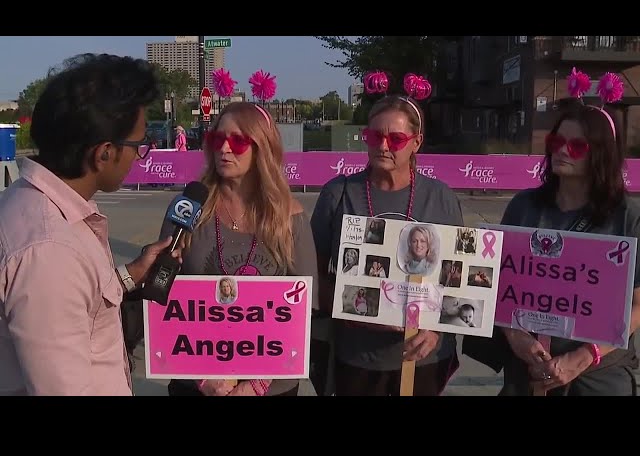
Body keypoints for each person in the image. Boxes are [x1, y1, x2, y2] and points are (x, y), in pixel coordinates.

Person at [0, 53, 177, 396]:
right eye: (138, 145)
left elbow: (80, 303)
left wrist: (132, 274)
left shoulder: (32, 203)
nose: (139, 156)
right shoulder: (50, 250)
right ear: (104, 153)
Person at [463, 69, 640, 396]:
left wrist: (585, 355)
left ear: (600, 153)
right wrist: (514, 336)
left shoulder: (629, 218)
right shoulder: (524, 206)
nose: (561, 151)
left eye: (576, 146)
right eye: (557, 142)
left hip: (597, 376)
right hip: (527, 368)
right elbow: (492, 281)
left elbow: (637, 305)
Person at [311, 71, 464, 396]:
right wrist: (353, 312)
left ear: (416, 143)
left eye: (395, 139)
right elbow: (314, 274)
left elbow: (458, 277)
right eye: (374, 136)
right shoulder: (338, 193)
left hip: (424, 357)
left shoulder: (440, 197)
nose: (383, 145)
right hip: (357, 357)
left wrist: (437, 330)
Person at [161, 97, 318, 397]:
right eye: (218, 138)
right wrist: (204, 379)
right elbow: (163, 298)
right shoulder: (187, 207)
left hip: (271, 385)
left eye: (238, 142)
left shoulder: (291, 218)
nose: (224, 149)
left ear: (263, 148)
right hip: (197, 381)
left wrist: (255, 384)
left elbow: (304, 313)